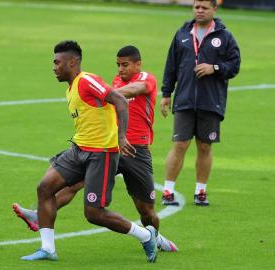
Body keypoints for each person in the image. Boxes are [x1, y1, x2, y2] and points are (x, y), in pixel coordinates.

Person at [15, 45, 177, 255]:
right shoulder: (113, 81)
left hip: (135, 150)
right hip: (106, 147)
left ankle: (155, 237)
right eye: (118, 65)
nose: (120, 69)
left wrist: (101, 92)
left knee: (145, 209)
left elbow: (133, 90)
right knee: (70, 185)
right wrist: (99, 93)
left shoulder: (146, 78)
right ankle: (40, 217)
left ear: (138, 64)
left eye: (125, 65)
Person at [160, 0, 240, 206]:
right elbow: (171, 65)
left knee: (205, 146)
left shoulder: (225, 36)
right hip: (185, 99)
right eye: (197, 7)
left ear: (215, 9)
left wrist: (214, 67)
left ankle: (200, 191)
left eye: (204, 8)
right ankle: (168, 191)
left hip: (211, 102)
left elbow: (234, 65)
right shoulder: (182, 34)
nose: (200, 11)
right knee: (179, 144)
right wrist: (166, 93)